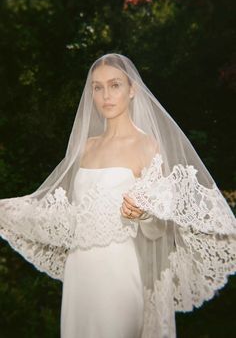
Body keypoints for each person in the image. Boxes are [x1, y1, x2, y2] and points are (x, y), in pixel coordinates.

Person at [0, 53, 236, 338]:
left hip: (120, 274)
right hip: (79, 275)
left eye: (115, 85)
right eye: (97, 87)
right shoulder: (85, 147)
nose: (105, 96)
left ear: (132, 89)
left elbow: (159, 228)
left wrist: (145, 212)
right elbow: (62, 212)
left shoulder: (147, 147)